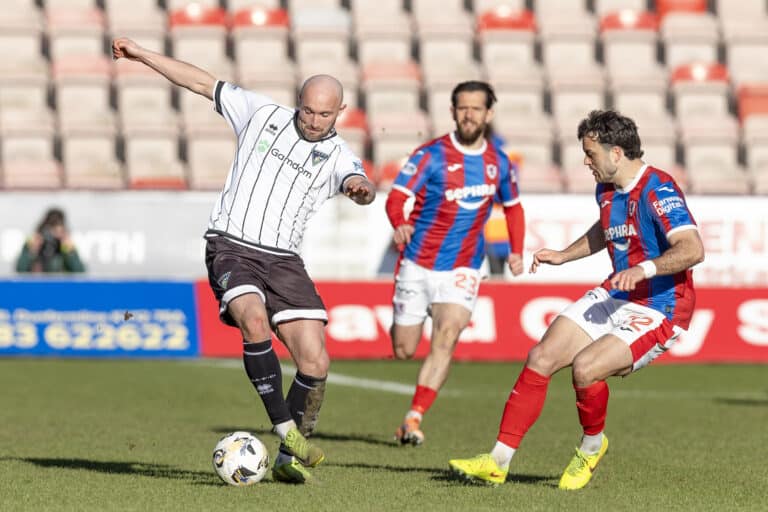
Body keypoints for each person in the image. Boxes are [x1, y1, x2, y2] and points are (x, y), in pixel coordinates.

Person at [111, 37, 376, 484]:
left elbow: (359, 182)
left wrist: (360, 190)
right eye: (307, 110)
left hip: (285, 260)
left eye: (324, 114)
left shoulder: (339, 155)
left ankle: (287, 460)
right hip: (232, 245)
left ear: (340, 112)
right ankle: (286, 430)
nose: (314, 121)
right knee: (253, 321)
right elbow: (200, 82)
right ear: (298, 102)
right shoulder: (260, 113)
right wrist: (142, 54)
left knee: (315, 362)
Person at [448, 110, 705, 489]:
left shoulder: (658, 189)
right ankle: (497, 461)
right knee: (541, 356)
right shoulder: (606, 188)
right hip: (617, 291)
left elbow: (693, 249)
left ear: (616, 153)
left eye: (590, 153)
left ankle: (591, 446)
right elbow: (606, 229)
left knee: (585, 368)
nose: (585, 161)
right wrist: (564, 255)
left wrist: (644, 269)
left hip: (661, 305)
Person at [385, 81, 526, 446]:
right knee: (404, 349)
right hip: (417, 262)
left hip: (464, 265)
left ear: (488, 114)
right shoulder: (430, 155)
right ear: (452, 111)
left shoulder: (498, 162)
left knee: (447, 336)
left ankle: (413, 418)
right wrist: (399, 222)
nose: (469, 115)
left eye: (476, 108)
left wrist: (516, 250)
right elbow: (397, 196)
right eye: (463, 108)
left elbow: (513, 208)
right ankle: (409, 317)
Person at [16, 207, 86, 273]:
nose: (51, 236)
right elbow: (20, 269)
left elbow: (80, 271)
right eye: (49, 228)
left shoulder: (65, 245)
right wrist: (31, 251)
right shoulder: (34, 243)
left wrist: (70, 252)